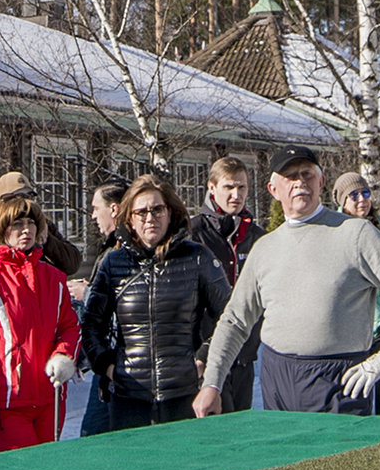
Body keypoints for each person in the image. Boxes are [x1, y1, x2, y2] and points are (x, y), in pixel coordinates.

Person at [193, 147, 380, 418]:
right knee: (288, 461)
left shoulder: (355, 233)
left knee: (336, 461)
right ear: (273, 189)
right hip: (278, 379)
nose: (299, 182)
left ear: (320, 182)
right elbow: (235, 321)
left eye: (307, 174)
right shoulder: (265, 248)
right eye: (290, 176)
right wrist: (212, 382)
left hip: (341, 380)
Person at [82, 176, 231, 430]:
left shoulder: (197, 258)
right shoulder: (113, 264)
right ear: (129, 218)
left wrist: (203, 358)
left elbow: (229, 316)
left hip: (184, 395)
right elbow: (91, 324)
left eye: (157, 209)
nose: (150, 218)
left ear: (170, 213)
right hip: (129, 397)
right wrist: (108, 367)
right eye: (141, 212)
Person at [0, 195, 80, 452]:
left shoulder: (53, 277)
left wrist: (63, 357)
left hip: (50, 399)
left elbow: (70, 327)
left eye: (31, 223)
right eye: (16, 224)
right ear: (1, 229)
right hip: (7, 403)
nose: (26, 230)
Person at [188, 156, 265, 412]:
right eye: (229, 187)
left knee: (241, 434)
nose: (236, 194)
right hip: (205, 359)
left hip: (243, 355)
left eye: (241, 187)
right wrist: (199, 352)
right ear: (212, 187)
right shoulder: (193, 234)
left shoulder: (256, 237)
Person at [334, 171, 380, 419]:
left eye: (365, 193)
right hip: (353, 330)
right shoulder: (336, 232)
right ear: (342, 202)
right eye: (353, 195)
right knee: (354, 395)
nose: (362, 199)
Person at [72, 180, 126, 439]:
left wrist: (88, 294)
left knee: (94, 435)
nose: (93, 215)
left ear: (113, 210)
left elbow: (124, 299)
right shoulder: (111, 246)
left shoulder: (124, 248)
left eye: (96, 208)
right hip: (106, 357)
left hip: (117, 358)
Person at [0, 171, 82, 277]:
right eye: (16, 198)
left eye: (28, 197)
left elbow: (72, 265)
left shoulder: (42, 226)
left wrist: (47, 241)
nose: (24, 203)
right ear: (0, 202)